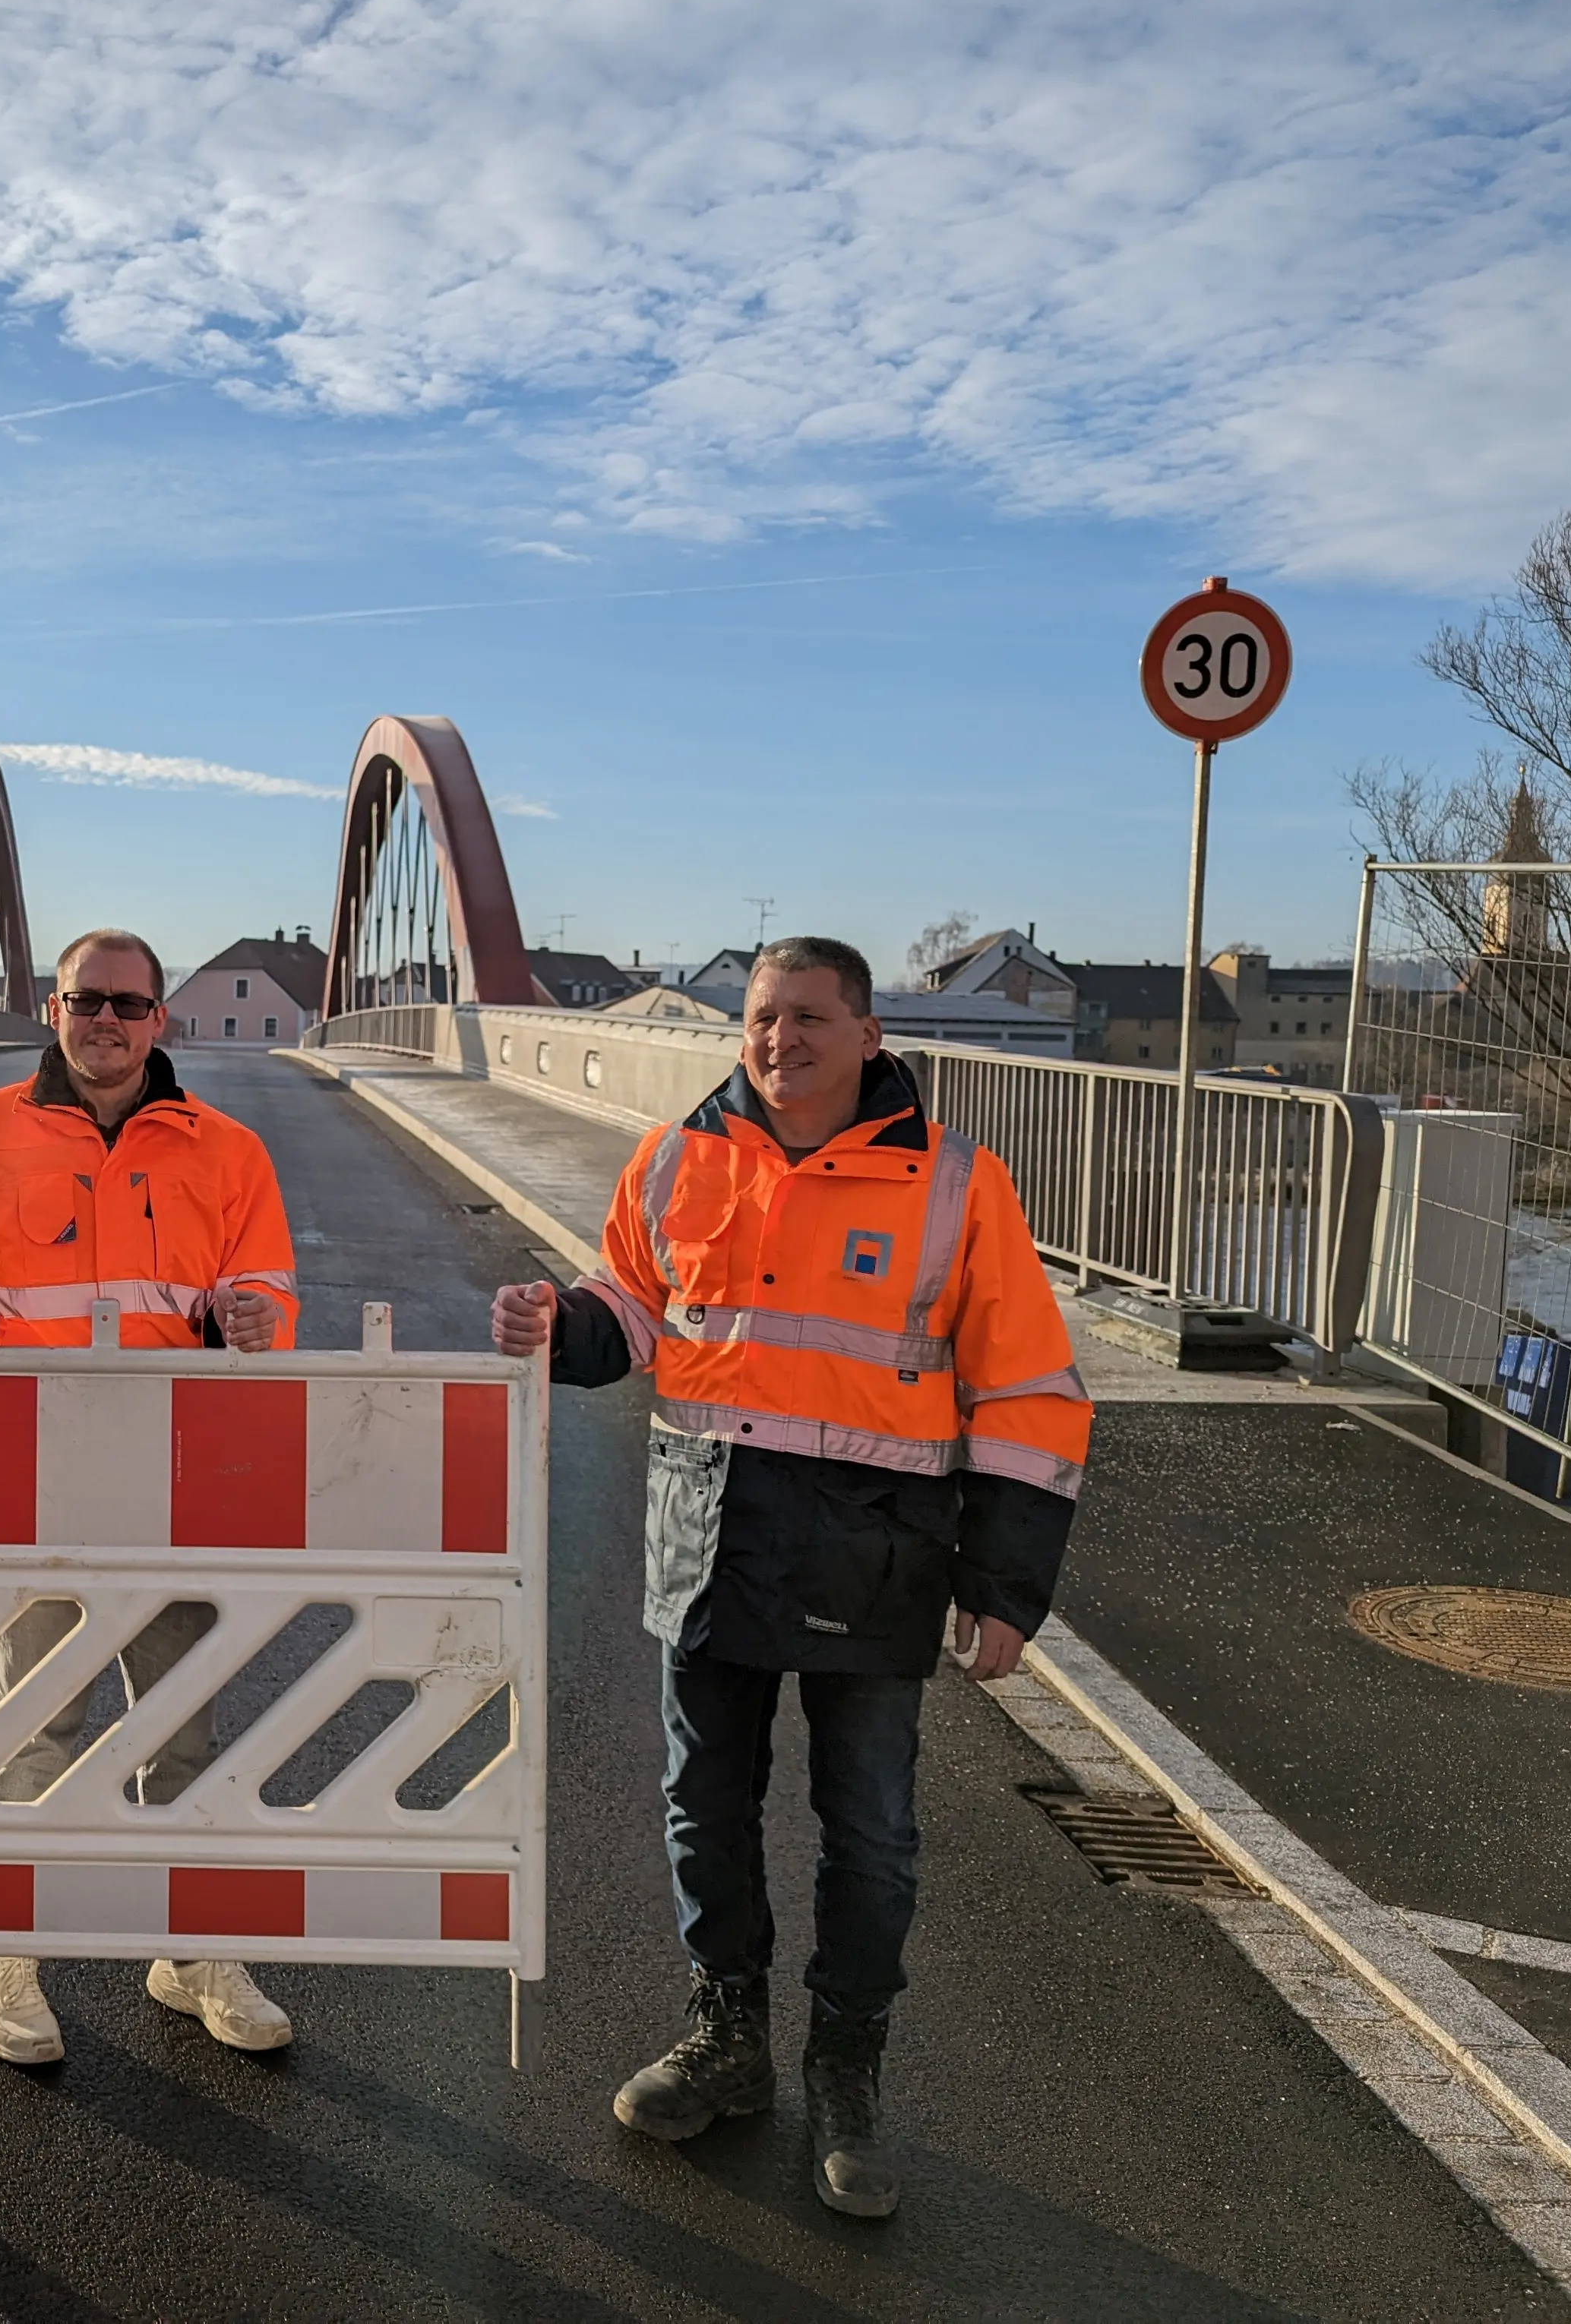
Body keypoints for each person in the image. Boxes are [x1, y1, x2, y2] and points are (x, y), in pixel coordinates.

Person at [490, 936, 1087, 2219]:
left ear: (869, 1035)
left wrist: (1006, 1584)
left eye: (811, 1019)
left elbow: (1029, 1387)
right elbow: (636, 1309)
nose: (781, 1042)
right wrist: (562, 1329)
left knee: (867, 1832)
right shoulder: (674, 1160)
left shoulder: (953, 1185)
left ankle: (848, 2069)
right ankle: (729, 2038)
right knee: (705, 1804)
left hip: (878, 1551)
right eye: (764, 1018)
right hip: (709, 1535)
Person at [0, 928, 301, 2066]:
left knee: (183, 1708)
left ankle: (193, 1944)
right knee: (38, 1710)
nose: (105, 1020)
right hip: (36, 1463)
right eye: (85, 1000)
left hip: (174, 1465)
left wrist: (252, 1319)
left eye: (128, 1003)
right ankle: (3, 1954)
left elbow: (261, 1283)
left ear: (160, 1021)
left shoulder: (228, 1150)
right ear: (52, 1011)